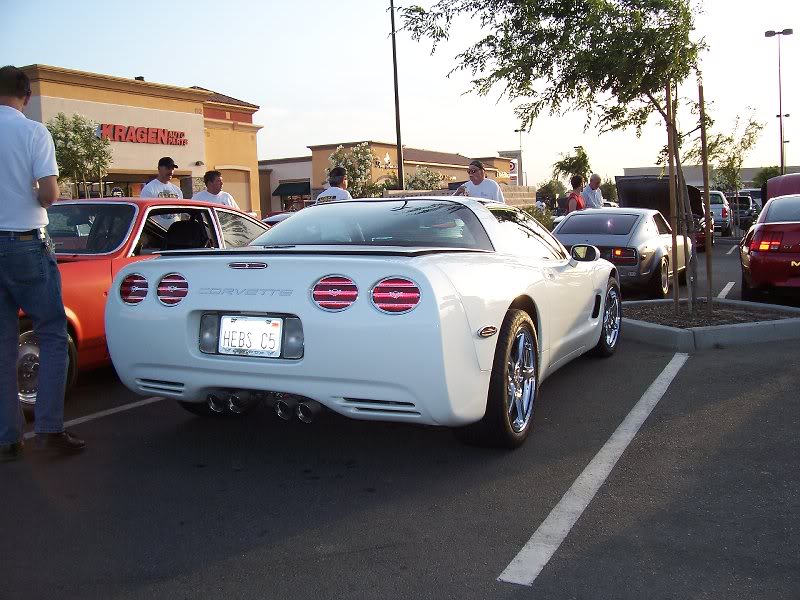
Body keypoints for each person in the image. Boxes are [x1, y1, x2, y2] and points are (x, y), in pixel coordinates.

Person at [0, 65, 85, 461]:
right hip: (24, 243)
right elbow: (50, 194)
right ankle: (49, 430)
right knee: (51, 334)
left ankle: (7, 439)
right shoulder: (33, 132)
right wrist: (32, 191)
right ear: (27, 96)